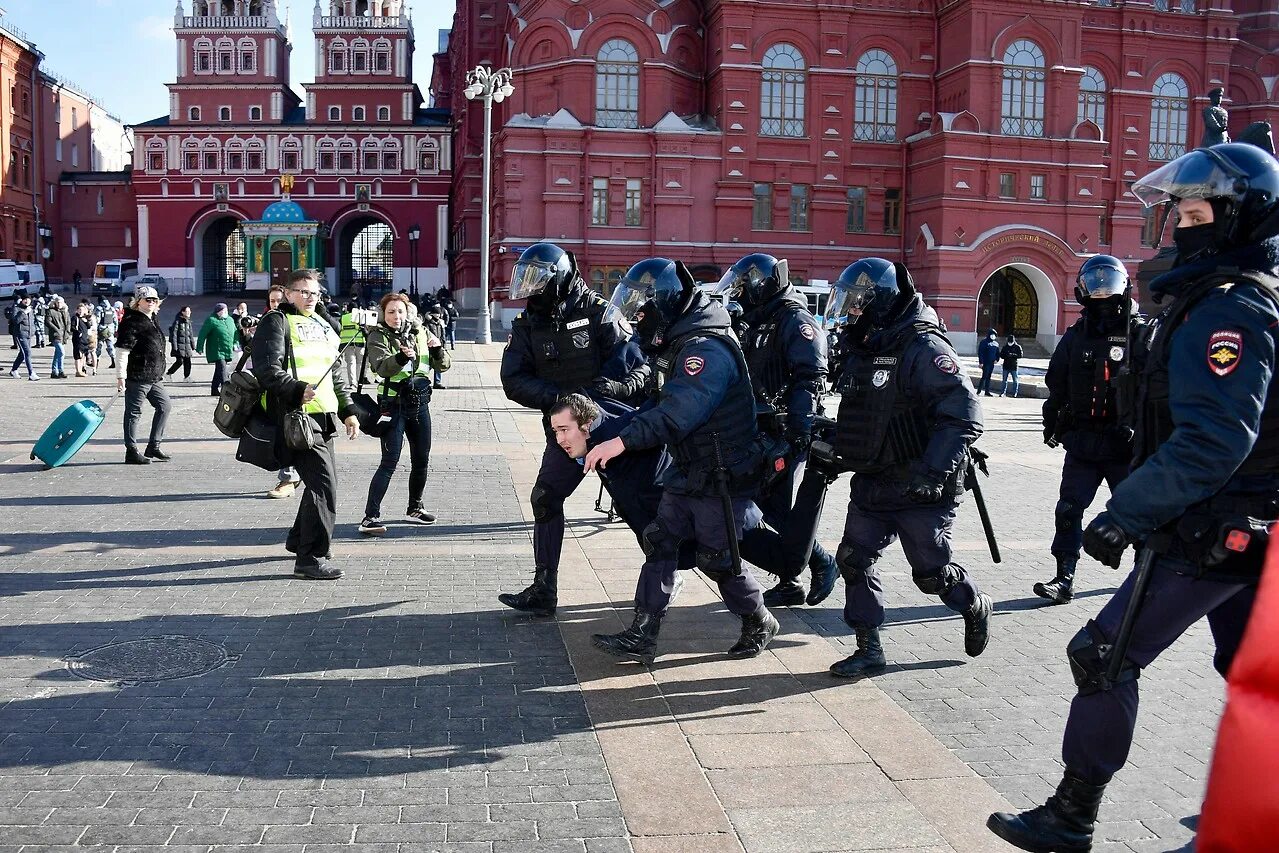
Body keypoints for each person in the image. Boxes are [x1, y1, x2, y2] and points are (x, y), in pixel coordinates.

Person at [988, 142, 1279, 852]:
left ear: (1238, 218)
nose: (1177, 222)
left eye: (1192, 209)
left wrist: (1124, 512)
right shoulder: (1224, 298)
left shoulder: (1226, 312)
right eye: (1175, 208)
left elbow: (1214, 439)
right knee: (1254, 679)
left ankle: (1071, 815)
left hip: (1209, 524)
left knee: (1102, 653)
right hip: (1239, 518)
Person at [585, 258, 780, 663]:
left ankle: (758, 618)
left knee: (717, 559)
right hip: (689, 467)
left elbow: (678, 414)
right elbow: (658, 399)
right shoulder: (680, 341)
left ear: (666, 303)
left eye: (643, 307)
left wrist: (620, 442)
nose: (638, 316)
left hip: (722, 472)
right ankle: (642, 633)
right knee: (661, 541)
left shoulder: (704, 350)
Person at [823, 258, 992, 679]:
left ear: (882, 302)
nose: (853, 312)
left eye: (859, 303)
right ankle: (868, 647)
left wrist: (931, 474)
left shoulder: (923, 347)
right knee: (853, 559)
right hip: (874, 480)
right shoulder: (865, 345)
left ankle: (973, 602)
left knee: (931, 575)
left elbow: (964, 414)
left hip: (922, 486)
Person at [497, 242, 648, 618]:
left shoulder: (599, 313)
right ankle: (544, 588)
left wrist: (604, 394)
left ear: (558, 277)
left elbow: (634, 366)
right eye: (525, 278)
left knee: (641, 510)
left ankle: (666, 576)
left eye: (536, 278)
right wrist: (562, 399)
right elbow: (513, 379)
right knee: (545, 498)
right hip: (566, 433)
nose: (529, 287)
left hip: (612, 430)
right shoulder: (528, 324)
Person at [715, 253, 839, 608]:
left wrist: (799, 429)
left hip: (786, 428)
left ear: (762, 286)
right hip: (758, 426)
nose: (737, 294)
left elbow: (810, 377)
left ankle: (821, 564)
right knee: (766, 506)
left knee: (778, 509)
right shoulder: (758, 318)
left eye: (742, 287)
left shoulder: (795, 319)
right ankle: (792, 579)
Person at [1034, 256, 1141, 605]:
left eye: (1106, 281)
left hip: (1125, 446)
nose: (1100, 288)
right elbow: (1057, 384)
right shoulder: (1076, 336)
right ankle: (1064, 577)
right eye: (1093, 281)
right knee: (1068, 510)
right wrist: (1054, 424)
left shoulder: (1139, 333)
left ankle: (1145, 578)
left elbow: (1157, 391)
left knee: (1139, 513)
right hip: (1082, 442)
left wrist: (1140, 430)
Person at [253, 269, 360, 581]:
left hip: (323, 415)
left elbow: (336, 370)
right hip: (295, 416)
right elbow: (266, 369)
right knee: (325, 486)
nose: (310, 298)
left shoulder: (324, 323)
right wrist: (297, 389)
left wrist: (348, 409)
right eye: (302, 292)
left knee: (321, 484)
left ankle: (299, 540)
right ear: (288, 293)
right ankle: (309, 559)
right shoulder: (276, 321)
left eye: (314, 293)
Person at [357, 293, 447, 535]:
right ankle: (370, 517)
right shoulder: (378, 336)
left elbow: (444, 365)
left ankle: (415, 507)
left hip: (419, 404)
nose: (396, 317)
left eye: (400, 312)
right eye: (391, 312)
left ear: (408, 312)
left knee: (421, 458)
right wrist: (400, 356)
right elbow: (381, 366)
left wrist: (438, 350)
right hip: (393, 405)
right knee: (390, 461)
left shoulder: (422, 332)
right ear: (383, 315)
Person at [115, 286, 172, 465]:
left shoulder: (152, 318)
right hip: (138, 375)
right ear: (138, 301)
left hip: (154, 376)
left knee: (165, 406)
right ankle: (131, 451)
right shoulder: (131, 321)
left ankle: (153, 446)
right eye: (148, 299)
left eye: (154, 300)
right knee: (133, 413)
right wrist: (120, 377)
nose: (152, 302)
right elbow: (122, 351)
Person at [260, 285, 303, 500]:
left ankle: (288, 478)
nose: (276, 305)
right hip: (276, 388)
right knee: (284, 433)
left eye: (279, 300)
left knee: (291, 434)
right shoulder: (269, 321)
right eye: (272, 301)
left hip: (296, 387)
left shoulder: (293, 322)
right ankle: (291, 475)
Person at [196, 302, 237, 397]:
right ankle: (226, 390)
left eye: (226, 310)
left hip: (227, 349)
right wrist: (199, 347)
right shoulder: (211, 320)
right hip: (217, 350)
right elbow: (202, 334)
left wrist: (237, 343)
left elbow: (235, 332)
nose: (225, 312)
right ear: (218, 312)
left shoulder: (230, 320)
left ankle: (214, 389)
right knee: (223, 370)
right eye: (223, 310)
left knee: (219, 370)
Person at [7, 294, 38, 380]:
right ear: (22, 300)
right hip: (20, 334)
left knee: (22, 353)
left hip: (28, 334)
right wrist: (24, 313)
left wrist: (34, 330)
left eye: (28, 299)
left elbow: (32, 321)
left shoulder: (30, 309)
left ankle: (14, 370)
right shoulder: (17, 308)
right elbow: (15, 320)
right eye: (25, 299)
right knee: (27, 353)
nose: (27, 301)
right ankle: (31, 373)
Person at [338, 301, 369, 388]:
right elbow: (365, 330)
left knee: (350, 363)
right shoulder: (360, 317)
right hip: (359, 342)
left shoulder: (343, 317)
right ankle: (359, 381)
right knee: (360, 363)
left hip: (347, 343)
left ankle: (352, 383)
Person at [166, 305, 196, 380]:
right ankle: (168, 373)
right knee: (179, 362)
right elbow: (174, 334)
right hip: (179, 345)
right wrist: (175, 346)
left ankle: (186, 377)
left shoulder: (188, 322)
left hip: (187, 346)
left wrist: (193, 345)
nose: (189, 313)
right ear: (182, 312)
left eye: (189, 311)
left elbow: (191, 334)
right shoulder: (177, 321)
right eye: (187, 311)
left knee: (188, 362)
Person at [45, 295, 70, 380]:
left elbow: (68, 323)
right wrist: (56, 329)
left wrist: (67, 332)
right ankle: (61, 370)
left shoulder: (65, 311)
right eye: (57, 302)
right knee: (62, 352)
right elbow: (48, 322)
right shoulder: (50, 311)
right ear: (55, 303)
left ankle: (54, 371)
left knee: (57, 353)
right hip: (56, 335)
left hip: (63, 335)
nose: (59, 304)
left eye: (61, 302)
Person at [71, 300, 94, 377]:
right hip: (78, 339)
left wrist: (86, 320)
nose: (81, 311)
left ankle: (81, 369)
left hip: (84, 339)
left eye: (82, 310)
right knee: (78, 355)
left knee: (83, 355)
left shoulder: (84, 318)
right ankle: (78, 371)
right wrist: (78, 333)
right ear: (77, 310)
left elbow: (89, 326)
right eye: (79, 310)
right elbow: (72, 327)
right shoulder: (75, 318)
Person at [94, 296, 117, 369]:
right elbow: (115, 320)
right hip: (110, 331)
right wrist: (115, 329)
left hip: (101, 330)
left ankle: (96, 362)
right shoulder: (112, 309)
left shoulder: (99, 309)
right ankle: (113, 360)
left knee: (98, 347)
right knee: (111, 346)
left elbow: (97, 320)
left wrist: (95, 330)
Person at [976, 328, 1000, 396]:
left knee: (989, 377)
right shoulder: (984, 342)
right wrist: (981, 362)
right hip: (985, 363)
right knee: (984, 376)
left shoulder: (996, 344)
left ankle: (987, 391)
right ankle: (979, 391)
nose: (993, 336)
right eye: (992, 334)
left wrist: (997, 359)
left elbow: (997, 353)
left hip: (992, 363)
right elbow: (981, 353)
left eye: (994, 335)